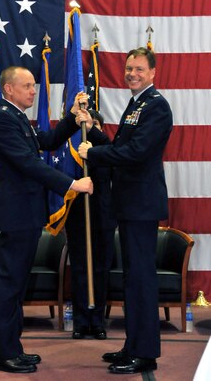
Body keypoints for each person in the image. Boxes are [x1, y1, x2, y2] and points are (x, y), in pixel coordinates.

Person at [0, 66, 93, 374]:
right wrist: (72, 185)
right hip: (18, 213)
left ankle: (11, 347)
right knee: (9, 283)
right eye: (28, 86)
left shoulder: (16, 117)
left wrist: (71, 117)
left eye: (33, 85)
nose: (34, 91)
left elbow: (45, 141)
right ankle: (1, 354)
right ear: (8, 90)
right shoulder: (2, 120)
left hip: (26, 213)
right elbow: (29, 164)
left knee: (16, 284)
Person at [78, 47, 173, 374]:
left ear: (152, 73)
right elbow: (119, 148)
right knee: (132, 279)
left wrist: (94, 154)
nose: (132, 73)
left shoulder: (157, 107)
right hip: (131, 204)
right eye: (129, 68)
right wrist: (92, 129)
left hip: (142, 206)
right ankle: (132, 345)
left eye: (139, 69)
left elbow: (134, 153)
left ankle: (145, 353)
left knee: (142, 280)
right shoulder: (137, 105)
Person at [65, 110, 117, 340]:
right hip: (78, 217)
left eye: (93, 124)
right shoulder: (73, 154)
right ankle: (80, 321)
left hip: (103, 217)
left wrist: (93, 139)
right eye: (85, 124)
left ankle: (97, 322)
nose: (88, 128)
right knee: (79, 270)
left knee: (100, 270)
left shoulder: (107, 151)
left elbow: (110, 154)